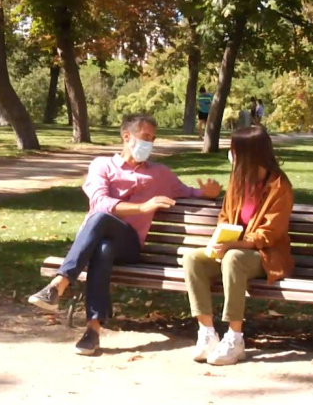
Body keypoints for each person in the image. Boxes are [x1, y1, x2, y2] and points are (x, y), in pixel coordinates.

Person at [28, 114, 222, 355]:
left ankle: (59, 284)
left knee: (100, 221)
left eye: (152, 139)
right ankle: (92, 331)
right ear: (127, 136)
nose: (149, 143)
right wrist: (142, 207)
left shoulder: (160, 174)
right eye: (145, 137)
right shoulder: (102, 165)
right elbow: (100, 201)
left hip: (130, 246)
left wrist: (208, 192)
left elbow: (190, 192)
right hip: (97, 244)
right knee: (103, 247)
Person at [183, 125, 294, 366]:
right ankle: (207, 333)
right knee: (193, 259)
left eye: (234, 149)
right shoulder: (238, 180)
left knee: (234, 257)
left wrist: (235, 244)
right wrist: (223, 237)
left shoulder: (279, 186)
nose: (230, 154)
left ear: (248, 153)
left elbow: (269, 234)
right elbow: (225, 215)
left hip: (265, 256)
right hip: (232, 249)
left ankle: (235, 338)